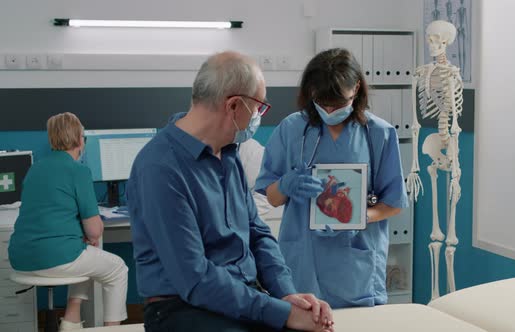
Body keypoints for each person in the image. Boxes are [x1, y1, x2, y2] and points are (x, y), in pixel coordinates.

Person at [126, 51, 334, 332]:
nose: (258, 116)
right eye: (259, 107)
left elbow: (257, 233)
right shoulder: (160, 168)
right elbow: (195, 278)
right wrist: (281, 314)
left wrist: (287, 295)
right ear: (234, 106)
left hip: (240, 296)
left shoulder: (229, 155)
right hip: (182, 308)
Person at [255, 48, 409, 308]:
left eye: (337, 104)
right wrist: (285, 184)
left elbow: (393, 202)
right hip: (302, 260)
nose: (328, 110)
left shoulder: (379, 135)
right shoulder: (291, 129)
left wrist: (358, 218)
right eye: (321, 102)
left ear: (356, 88)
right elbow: (271, 198)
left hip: (355, 265)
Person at [8, 112, 128, 330]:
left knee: (87, 254)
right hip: (55, 259)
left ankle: (72, 320)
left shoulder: (34, 169)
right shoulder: (78, 171)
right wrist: (90, 233)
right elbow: (94, 231)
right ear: (80, 139)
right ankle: (113, 329)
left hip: (21, 258)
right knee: (118, 269)